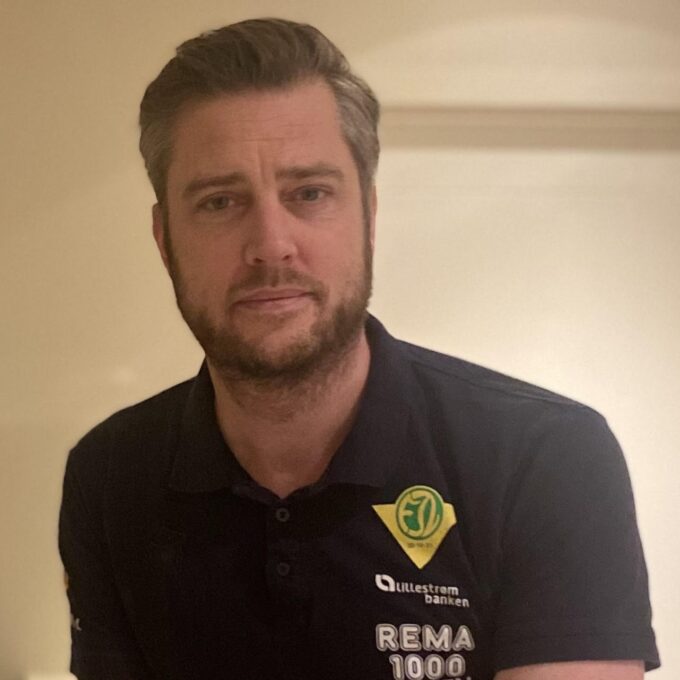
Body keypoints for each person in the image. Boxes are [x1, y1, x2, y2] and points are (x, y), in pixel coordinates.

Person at [58, 18, 660, 680]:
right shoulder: (109, 477)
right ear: (164, 238)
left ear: (369, 217)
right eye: (220, 201)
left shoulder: (546, 457)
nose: (271, 244)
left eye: (310, 193)